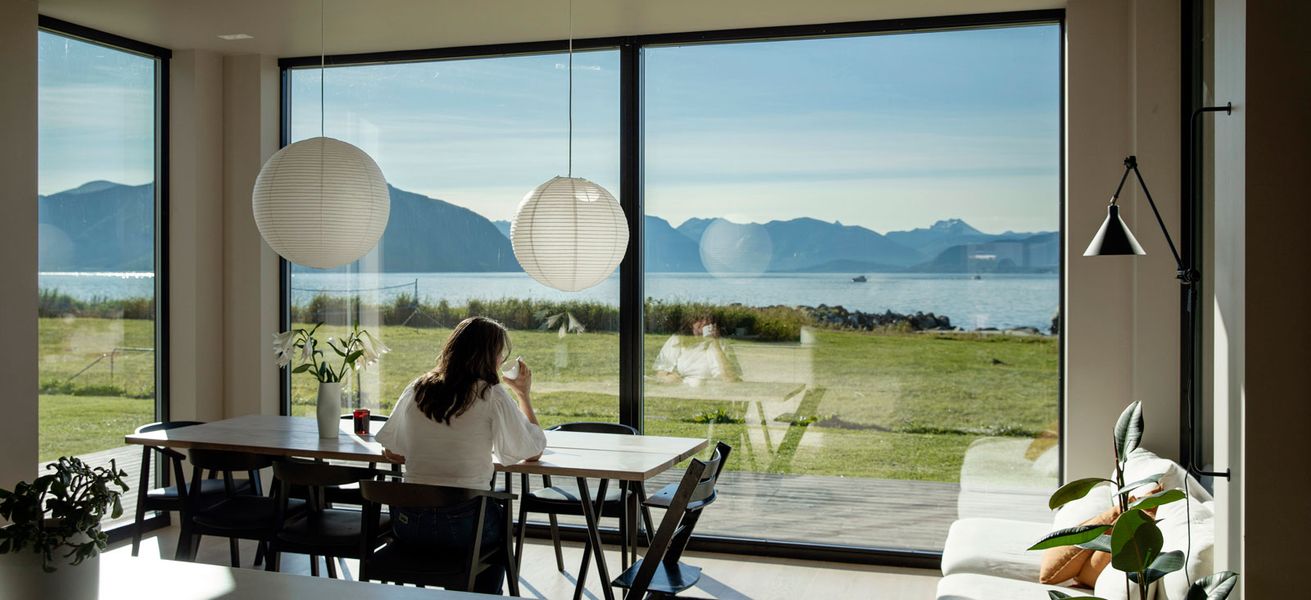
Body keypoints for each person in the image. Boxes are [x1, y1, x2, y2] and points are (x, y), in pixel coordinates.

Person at [375, 316, 546, 594]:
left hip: (409, 523)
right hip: (463, 525)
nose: (502, 360)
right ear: (490, 356)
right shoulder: (490, 394)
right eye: (500, 354)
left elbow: (391, 449)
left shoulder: (419, 387)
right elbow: (533, 450)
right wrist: (524, 395)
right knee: (498, 524)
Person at [652, 317, 742, 384]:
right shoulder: (678, 340)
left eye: (708, 320)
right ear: (690, 322)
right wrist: (674, 380)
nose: (704, 323)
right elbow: (661, 373)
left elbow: (730, 379)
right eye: (699, 319)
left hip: (715, 393)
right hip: (684, 392)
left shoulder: (720, 343)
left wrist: (715, 343)